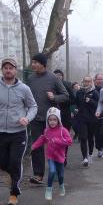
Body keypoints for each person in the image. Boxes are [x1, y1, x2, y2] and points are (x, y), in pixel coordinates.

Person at [0, 58, 38, 205]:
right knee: (2, 164)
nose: (8, 70)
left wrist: (27, 118)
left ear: (15, 70)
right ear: (2, 70)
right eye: (5, 68)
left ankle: (14, 192)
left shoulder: (24, 89)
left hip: (18, 132)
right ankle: (14, 176)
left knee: (15, 162)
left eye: (11, 68)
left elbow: (33, 106)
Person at [26, 53, 69, 184]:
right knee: (36, 145)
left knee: (54, 145)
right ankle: (38, 175)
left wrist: (54, 97)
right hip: (35, 118)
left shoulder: (53, 78)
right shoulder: (30, 79)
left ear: (43, 64)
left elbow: (65, 95)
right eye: (32, 62)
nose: (33, 65)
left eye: (35, 62)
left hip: (51, 120)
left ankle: (56, 169)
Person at [31, 107, 73, 200]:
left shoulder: (63, 130)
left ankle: (61, 186)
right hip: (51, 156)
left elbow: (69, 141)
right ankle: (49, 189)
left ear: (58, 120)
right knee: (52, 171)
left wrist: (58, 141)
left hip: (60, 157)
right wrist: (34, 146)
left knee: (61, 176)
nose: (52, 122)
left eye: (54, 119)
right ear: (47, 120)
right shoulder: (47, 130)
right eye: (50, 120)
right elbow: (42, 139)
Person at [74, 75, 100, 166]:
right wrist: (76, 109)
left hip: (92, 119)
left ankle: (90, 154)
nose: (87, 83)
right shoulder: (79, 92)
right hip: (82, 119)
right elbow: (77, 103)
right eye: (85, 81)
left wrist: (90, 101)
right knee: (83, 138)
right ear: (83, 82)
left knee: (90, 138)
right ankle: (85, 158)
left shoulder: (95, 92)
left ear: (91, 82)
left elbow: (99, 105)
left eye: (89, 81)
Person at [93, 72, 103, 158]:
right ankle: (99, 149)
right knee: (97, 133)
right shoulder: (92, 90)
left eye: (101, 79)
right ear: (95, 80)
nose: (100, 81)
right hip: (94, 115)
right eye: (98, 79)